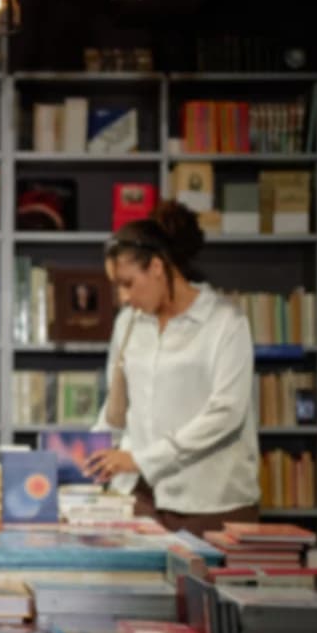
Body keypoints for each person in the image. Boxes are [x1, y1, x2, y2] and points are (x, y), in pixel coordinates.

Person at [84, 201, 260, 536]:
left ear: (156, 267)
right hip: (141, 501)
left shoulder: (225, 322)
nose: (123, 297)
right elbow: (118, 408)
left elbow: (226, 412)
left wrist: (142, 459)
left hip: (211, 505)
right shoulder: (128, 323)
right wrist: (88, 452)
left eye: (128, 283)